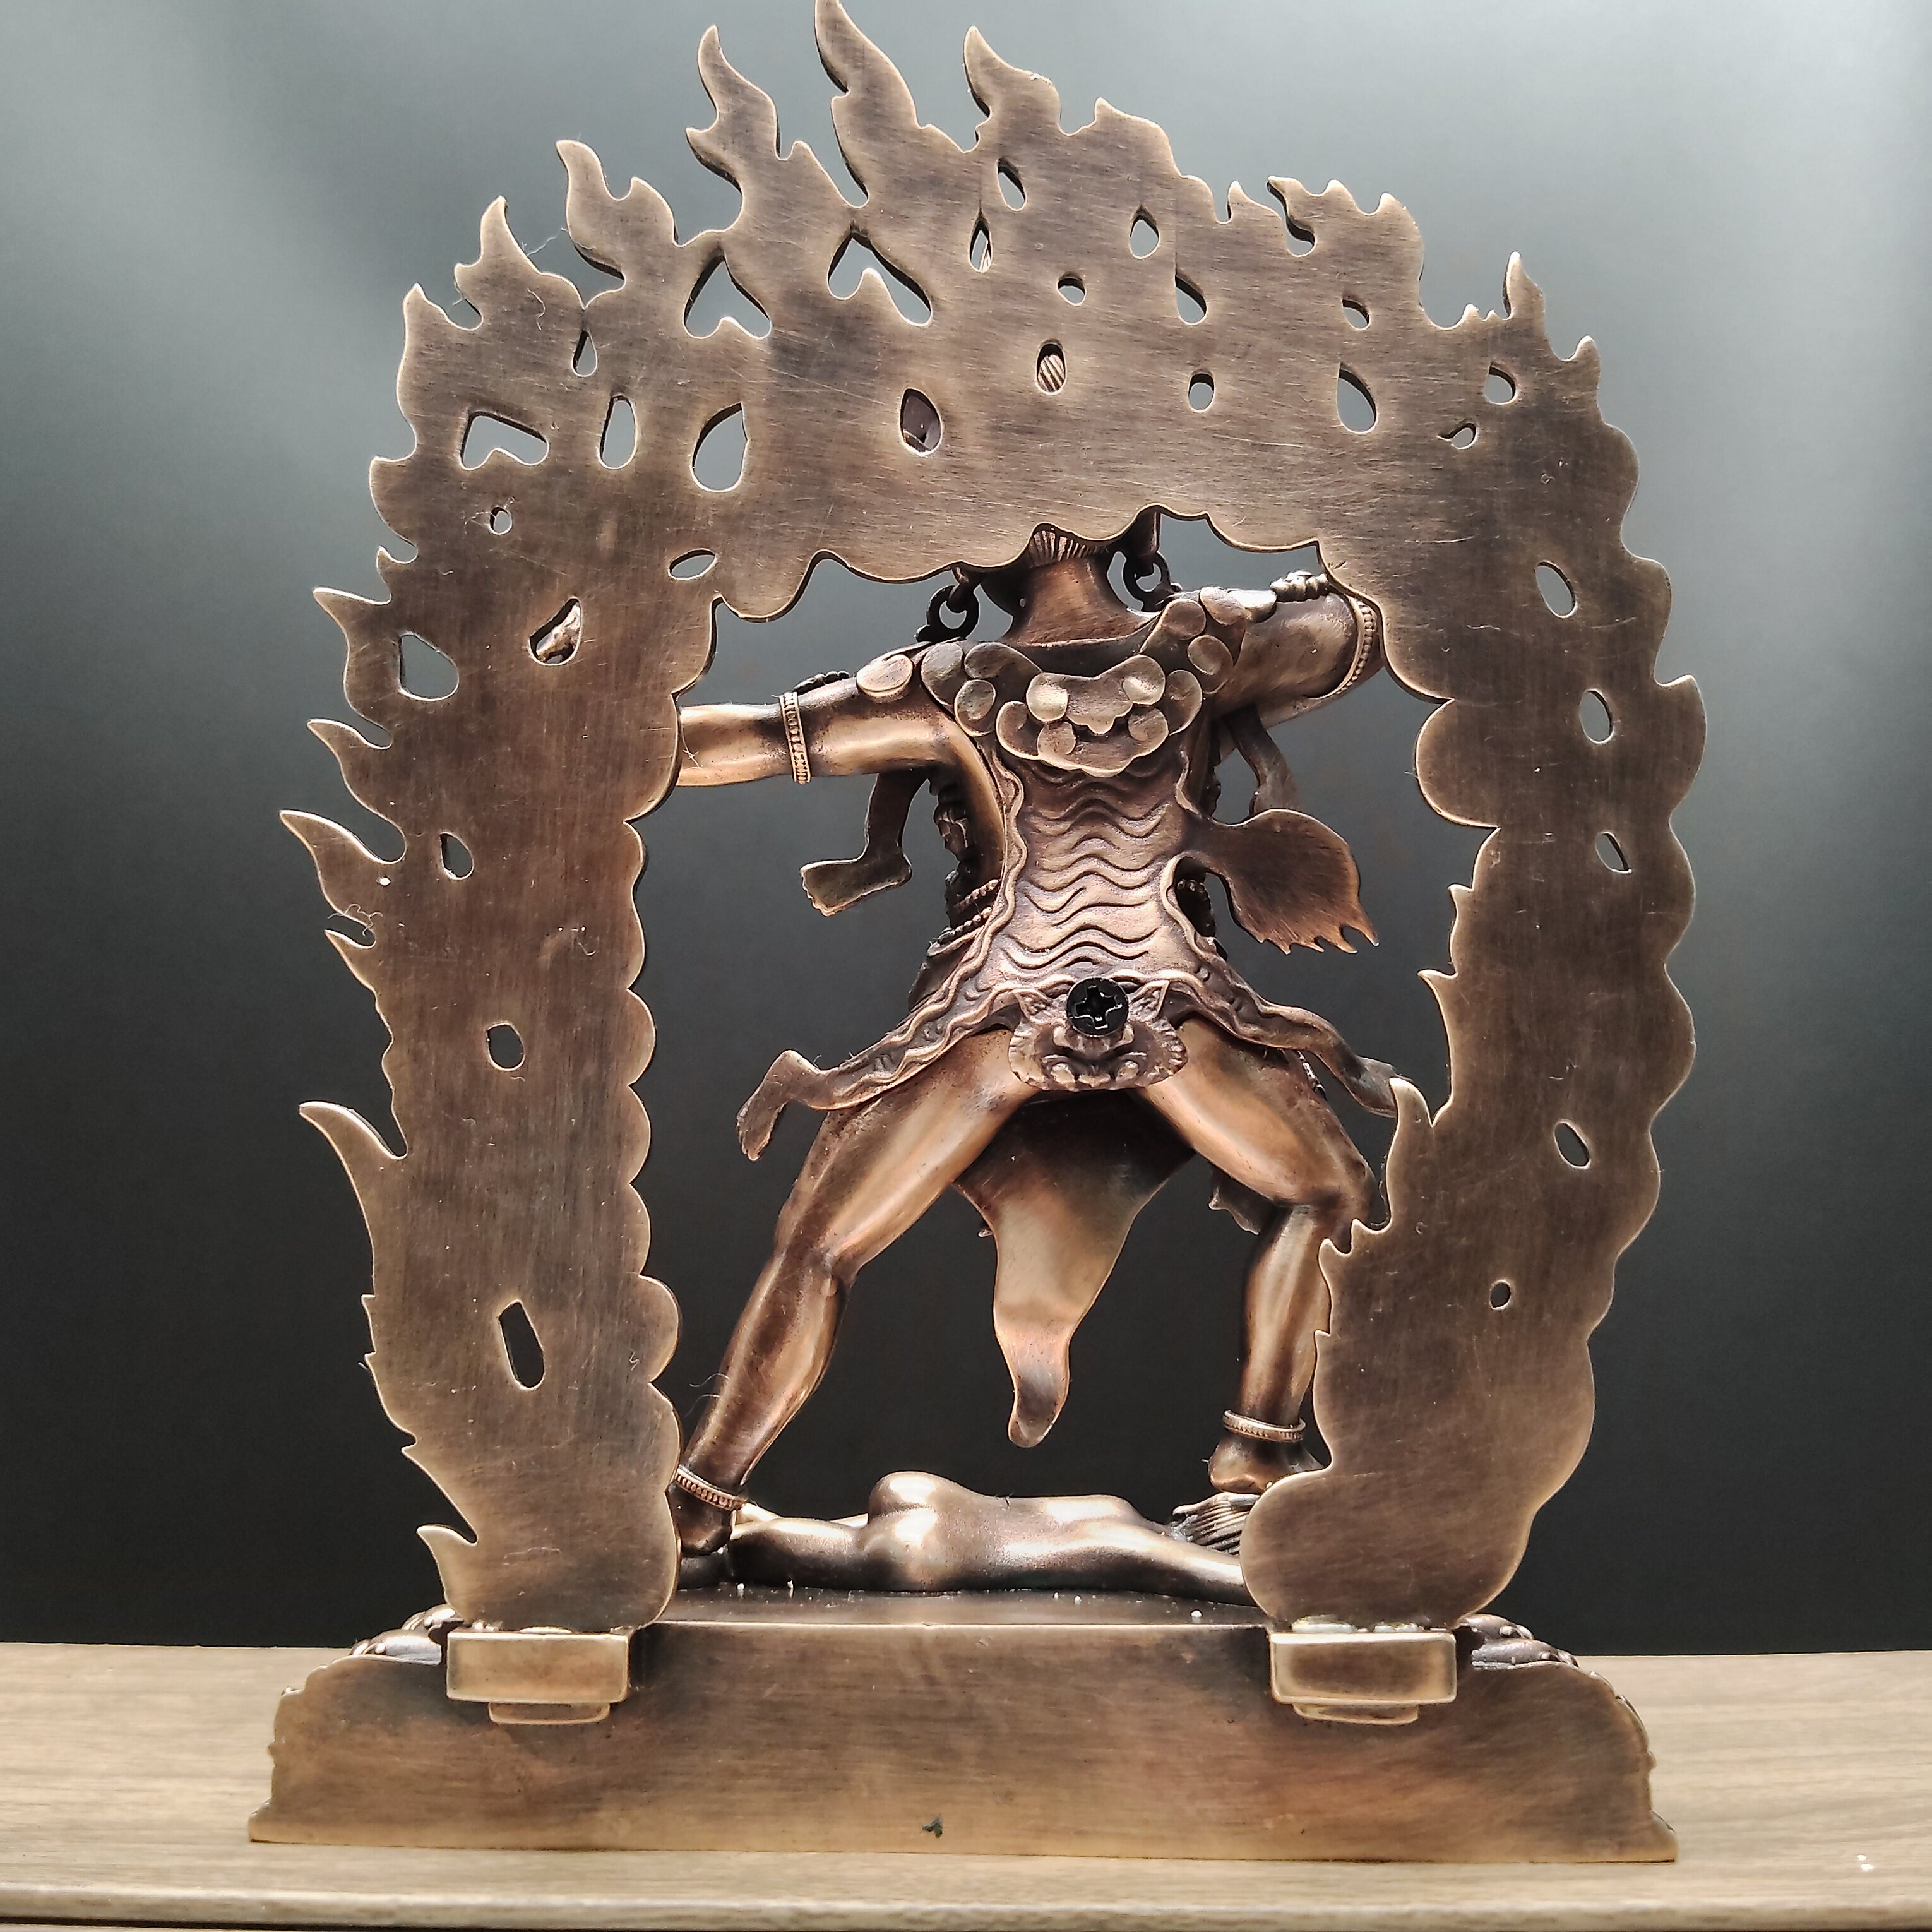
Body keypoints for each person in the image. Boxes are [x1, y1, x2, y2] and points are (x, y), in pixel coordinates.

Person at [667, 514, 1395, 1557]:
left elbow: (730, 743)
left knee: (819, 1245)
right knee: (1333, 1196)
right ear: (1136, 525)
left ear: (966, 550)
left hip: (998, 1005)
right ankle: (1257, 1463)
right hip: (1170, 1000)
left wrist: (580, 687)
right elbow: (1382, 616)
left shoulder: (941, 683)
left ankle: (699, 1502)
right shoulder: (1216, 638)